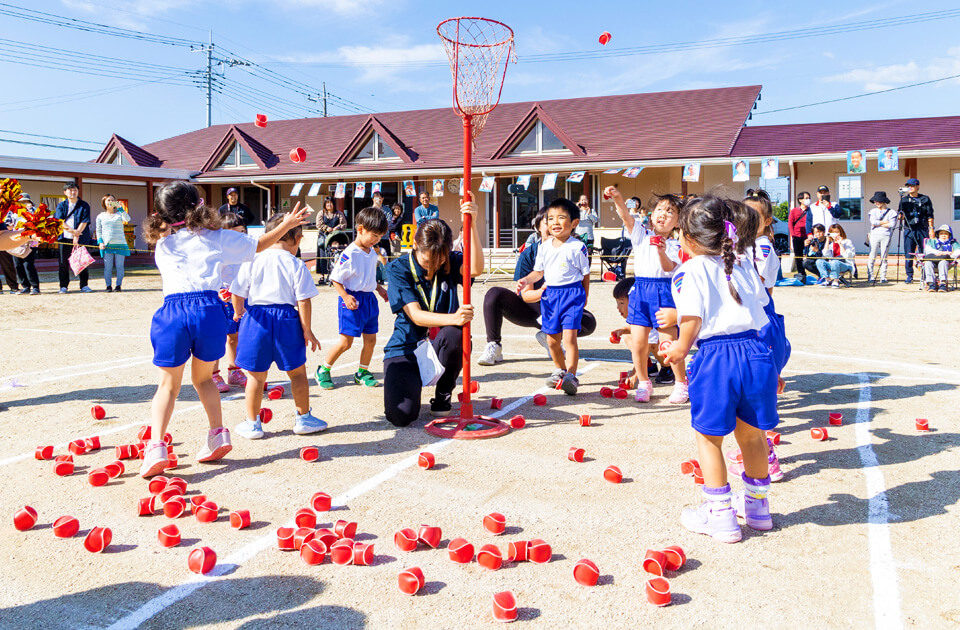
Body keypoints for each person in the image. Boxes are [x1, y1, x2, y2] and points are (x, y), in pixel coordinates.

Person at [137, 181, 309, 477]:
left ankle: (155, 447)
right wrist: (287, 225)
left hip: (173, 312)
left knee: (167, 386)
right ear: (199, 206)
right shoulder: (217, 237)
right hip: (209, 310)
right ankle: (218, 434)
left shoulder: (162, 246)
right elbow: (259, 245)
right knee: (204, 379)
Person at [661, 194, 777, 543]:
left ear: (691, 239)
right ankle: (758, 510)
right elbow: (763, 315)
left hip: (716, 356)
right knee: (752, 435)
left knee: (709, 439)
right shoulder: (741, 264)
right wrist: (773, 368)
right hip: (757, 352)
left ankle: (721, 516)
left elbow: (692, 318)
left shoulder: (688, 270)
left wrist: (680, 347)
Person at [382, 195, 482, 426]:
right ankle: (412, 378)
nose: (435, 265)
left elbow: (475, 268)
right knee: (402, 416)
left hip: (442, 343)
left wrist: (473, 223)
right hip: (406, 345)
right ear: (415, 245)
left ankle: (443, 393)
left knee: (456, 334)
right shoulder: (398, 268)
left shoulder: (449, 260)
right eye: (429, 261)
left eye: (441, 259)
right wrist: (454, 316)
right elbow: (415, 315)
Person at [230, 212, 326, 440]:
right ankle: (303, 418)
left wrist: (238, 312)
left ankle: (253, 424)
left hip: (256, 318)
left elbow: (237, 291)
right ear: (298, 240)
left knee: (255, 377)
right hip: (286, 319)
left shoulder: (252, 259)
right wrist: (307, 329)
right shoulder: (296, 263)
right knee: (297, 373)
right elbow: (303, 299)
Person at [478, 210, 597, 366]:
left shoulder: (573, 249)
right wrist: (544, 291)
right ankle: (494, 345)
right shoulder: (530, 253)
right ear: (538, 227)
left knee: (588, 321)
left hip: (559, 306)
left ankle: (551, 336)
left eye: (558, 220)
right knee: (494, 294)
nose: (554, 225)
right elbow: (526, 296)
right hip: (531, 309)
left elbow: (582, 282)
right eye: (548, 221)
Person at [604, 186, 687, 404]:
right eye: (660, 209)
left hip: (664, 293)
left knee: (668, 344)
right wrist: (618, 198)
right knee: (639, 343)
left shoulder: (676, 245)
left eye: (671, 212)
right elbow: (625, 216)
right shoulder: (641, 234)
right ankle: (644, 382)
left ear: (678, 222)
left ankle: (680, 383)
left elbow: (669, 268)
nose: (664, 214)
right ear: (652, 215)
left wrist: (660, 250)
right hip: (640, 291)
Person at [516, 198, 590, 395]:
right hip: (550, 296)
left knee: (569, 339)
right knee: (551, 340)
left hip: (572, 295)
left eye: (561, 218)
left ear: (574, 223)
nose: (555, 222)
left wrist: (584, 299)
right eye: (550, 218)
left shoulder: (577, 247)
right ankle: (559, 369)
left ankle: (571, 376)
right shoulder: (544, 247)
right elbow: (538, 273)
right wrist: (525, 280)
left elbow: (585, 275)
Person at [316, 207, 389, 389]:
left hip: (369, 300)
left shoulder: (371, 252)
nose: (376, 240)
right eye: (374, 235)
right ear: (361, 229)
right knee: (345, 342)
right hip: (352, 301)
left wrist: (379, 289)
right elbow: (335, 278)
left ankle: (362, 371)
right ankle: (323, 369)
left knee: (370, 340)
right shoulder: (349, 253)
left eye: (379, 237)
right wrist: (345, 296)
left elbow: (367, 277)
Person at [744, 191, 790, 383]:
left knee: (762, 355)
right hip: (748, 305)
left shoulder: (762, 246)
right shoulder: (744, 243)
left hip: (759, 307)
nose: (747, 220)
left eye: (754, 216)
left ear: (768, 220)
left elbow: (757, 281)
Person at [212, 212, 249, 393]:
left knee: (235, 337)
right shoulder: (217, 253)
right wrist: (219, 289)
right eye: (233, 234)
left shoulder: (247, 253)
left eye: (241, 232)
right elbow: (210, 275)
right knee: (217, 338)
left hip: (241, 298)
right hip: (223, 300)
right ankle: (212, 374)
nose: (239, 238)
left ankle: (234, 370)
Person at [54, 181, 93, 293]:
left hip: (81, 237)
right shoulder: (61, 205)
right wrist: (72, 232)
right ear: (65, 192)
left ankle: (84, 285)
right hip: (65, 238)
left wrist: (77, 234)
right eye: (70, 190)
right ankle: (63, 286)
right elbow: (60, 221)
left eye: (75, 190)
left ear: (78, 191)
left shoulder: (84, 205)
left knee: (82, 261)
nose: (73, 192)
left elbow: (85, 221)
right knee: (63, 263)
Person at [897, 178, 935, 284]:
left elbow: (930, 214)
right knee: (909, 253)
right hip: (909, 229)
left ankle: (926, 274)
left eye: (912, 186)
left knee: (924, 251)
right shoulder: (904, 200)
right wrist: (900, 215)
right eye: (908, 186)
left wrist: (931, 228)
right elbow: (901, 216)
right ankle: (909, 275)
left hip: (922, 228)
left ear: (918, 186)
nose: (910, 188)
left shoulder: (925, 199)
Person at [95, 194, 131, 292]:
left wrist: (120, 208)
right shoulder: (100, 216)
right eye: (108, 200)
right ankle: (108, 286)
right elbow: (98, 231)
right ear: (104, 203)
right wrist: (100, 242)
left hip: (120, 244)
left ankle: (118, 285)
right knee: (108, 266)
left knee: (120, 266)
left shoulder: (119, 215)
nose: (110, 201)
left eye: (112, 200)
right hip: (107, 245)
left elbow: (127, 219)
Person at [11, 193, 40, 294]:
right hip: (17, 241)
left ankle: (35, 286)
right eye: (21, 202)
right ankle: (25, 286)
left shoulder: (35, 211)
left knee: (28, 264)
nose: (23, 204)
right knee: (18, 265)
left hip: (31, 241)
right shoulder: (13, 213)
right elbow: (9, 225)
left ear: (30, 202)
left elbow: (40, 224)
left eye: (25, 201)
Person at [866, 191, 896, 283]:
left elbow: (892, 225)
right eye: (875, 201)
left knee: (884, 256)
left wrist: (878, 224)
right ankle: (870, 275)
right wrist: (885, 222)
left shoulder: (892, 212)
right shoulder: (873, 211)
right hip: (874, 235)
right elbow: (873, 222)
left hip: (886, 235)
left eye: (878, 201)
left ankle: (883, 276)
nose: (876, 203)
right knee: (872, 255)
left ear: (883, 201)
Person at [921, 225, 959, 292]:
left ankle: (943, 284)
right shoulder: (932, 241)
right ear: (938, 234)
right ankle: (931, 284)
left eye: (946, 233)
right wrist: (941, 252)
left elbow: (957, 252)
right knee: (927, 262)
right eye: (941, 233)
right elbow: (928, 250)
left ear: (949, 235)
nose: (943, 235)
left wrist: (949, 254)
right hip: (933, 260)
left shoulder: (953, 243)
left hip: (947, 263)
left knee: (943, 262)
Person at [815, 224, 855, 288]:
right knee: (819, 261)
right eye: (833, 233)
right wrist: (827, 239)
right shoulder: (831, 244)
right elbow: (826, 254)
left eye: (837, 232)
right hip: (833, 264)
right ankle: (827, 279)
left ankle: (835, 281)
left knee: (835, 262)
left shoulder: (847, 242)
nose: (835, 235)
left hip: (846, 264)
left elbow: (848, 256)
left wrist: (840, 244)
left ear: (841, 232)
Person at [787, 191, 811, 282]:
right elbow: (790, 224)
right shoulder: (794, 211)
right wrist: (792, 236)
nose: (808, 200)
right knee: (798, 255)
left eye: (809, 198)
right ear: (800, 200)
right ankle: (801, 273)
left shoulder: (810, 210)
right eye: (806, 198)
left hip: (808, 236)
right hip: (797, 236)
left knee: (810, 255)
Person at [574, 194, 599, 261]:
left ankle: (588, 270)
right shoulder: (576, 211)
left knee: (589, 255)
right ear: (579, 201)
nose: (584, 201)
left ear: (588, 201)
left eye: (585, 200)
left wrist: (589, 214)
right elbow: (572, 219)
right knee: (578, 254)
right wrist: (575, 208)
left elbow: (596, 221)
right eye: (582, 200)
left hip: (589, 237)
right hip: (579, 236)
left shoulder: (592, 211)